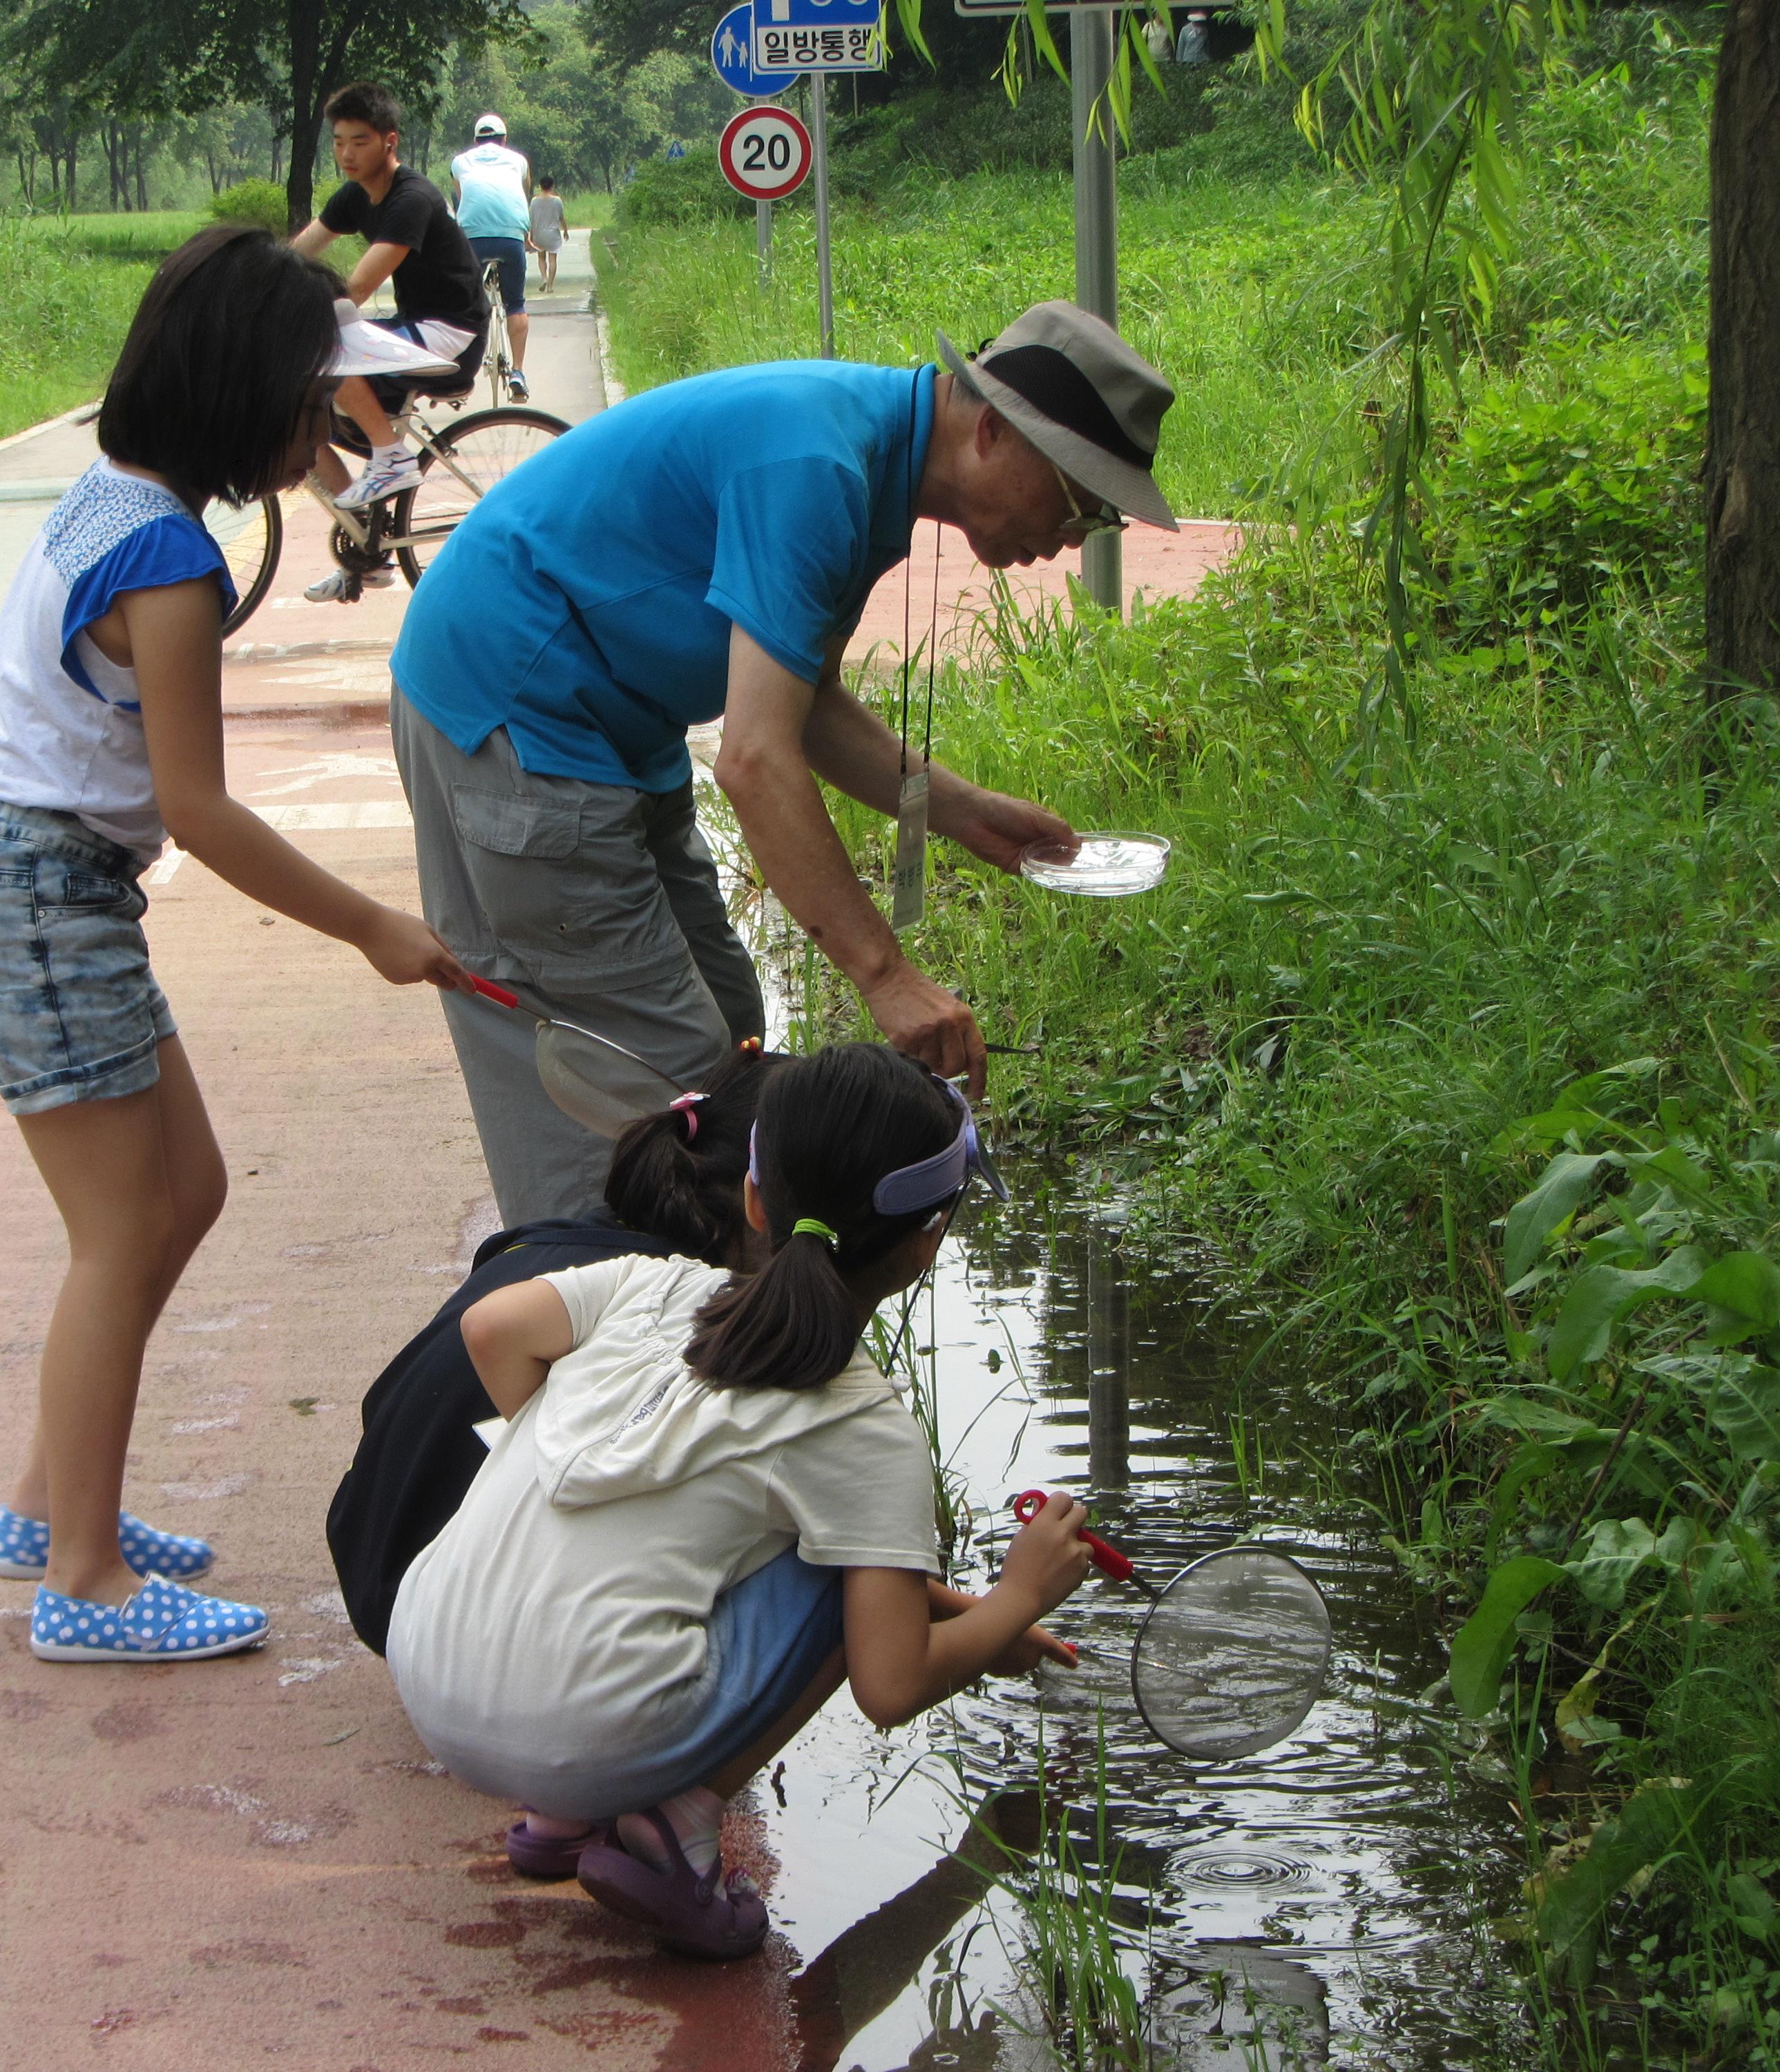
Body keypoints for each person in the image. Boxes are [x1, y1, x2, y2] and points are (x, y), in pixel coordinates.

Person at [0, 224, 475, 1665]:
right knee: (119, 1231)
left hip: (28, 882)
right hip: (32, 890)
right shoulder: (168, 561)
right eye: (308, 407)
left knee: (186, 1190)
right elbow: (198, 808)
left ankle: (51, 1508)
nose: (322, 433)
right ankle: (81, 1584)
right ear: (238, 394)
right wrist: (373, 929)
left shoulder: (118, 494)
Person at [388, 299, 1182, 1224]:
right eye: (1082, 500)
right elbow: (757, 761)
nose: (1072, 537)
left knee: (730, 1045)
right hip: (512, 721)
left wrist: (961, 813)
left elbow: (803, 710)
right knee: (662, 1106)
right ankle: (586, 1324)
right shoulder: (817, 467)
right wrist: (886, 977)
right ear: (996, 431)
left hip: (610, 733)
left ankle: (702, 1319)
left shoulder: (868, 459)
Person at [385, 1044, 1095, 1958]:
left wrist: (563, 1438)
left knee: (736, 1545)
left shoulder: (651, 1283)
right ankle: (672, 1832)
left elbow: (490, 1327)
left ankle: (561, 1816)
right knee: (829, 1568)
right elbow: (891, 1683)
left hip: (428, 1663)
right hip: (584, 1728)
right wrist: (1018, 1598)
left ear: (756, 1197)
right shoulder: (861, 1423)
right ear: (929, 1239)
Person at [327, 1045, 775, 1654]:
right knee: (793, 1555)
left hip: (371, 1557)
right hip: (453, 1628)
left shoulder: (541, 1245)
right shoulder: (674, 1316)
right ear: (761, 1202)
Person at [288, 81, 490, 611]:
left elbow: (355, 289)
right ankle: (366, 554)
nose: (347, 154)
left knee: (327, 352)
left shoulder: (412, 199)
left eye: (359, 141)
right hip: (413, 323)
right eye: (338, 143)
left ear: (389, 142)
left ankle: (390, 457)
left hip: (453, 332)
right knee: (298, 417)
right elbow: (299, 253)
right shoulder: (356, 197)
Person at [449, 113, 534, 402]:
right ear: (505, 140)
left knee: (465, 305)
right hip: (511, 235)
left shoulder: (460, 162)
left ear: (475, 141)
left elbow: (459, 198)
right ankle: (518, 373)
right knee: (516, 304)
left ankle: (458, 378)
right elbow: (522, 195)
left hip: (473, 238)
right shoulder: (518, 161)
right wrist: (525, 234)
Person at [528, 174, 566, 294]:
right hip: (553, 234)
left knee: (541, 258)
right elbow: (561, 218)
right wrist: (566, 230)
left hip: (539, 234)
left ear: (540, 186)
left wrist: (531, 235)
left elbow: (532, 220)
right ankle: (550, 286)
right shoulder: (557, 201)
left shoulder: (534, 201)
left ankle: (544, 278)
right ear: (552, 186)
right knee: (553, 259)